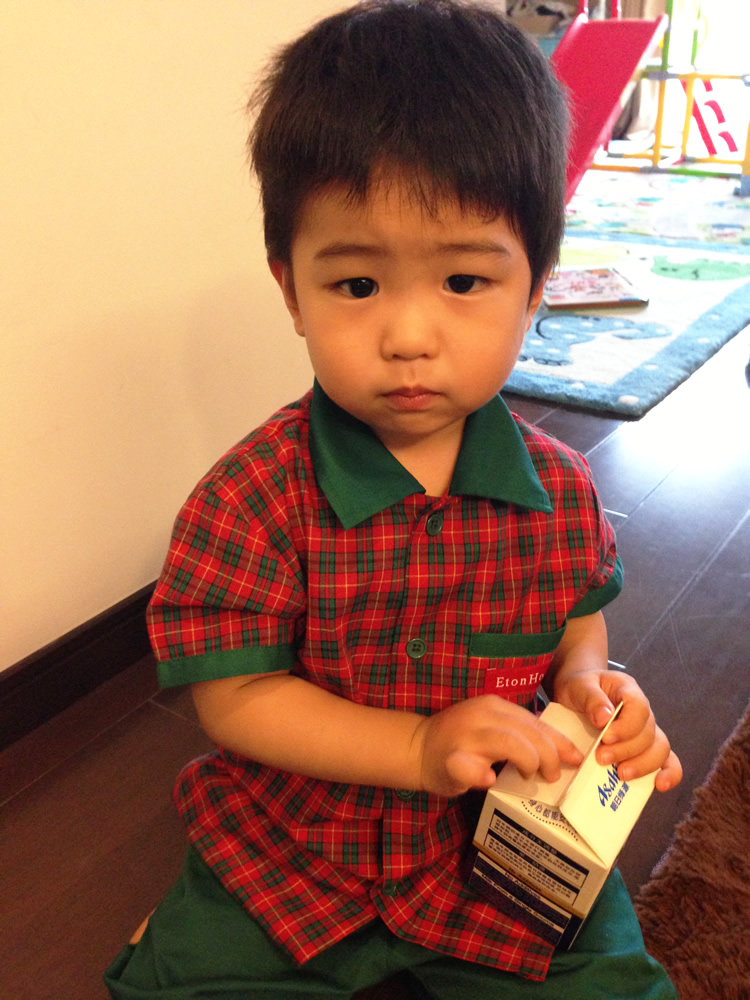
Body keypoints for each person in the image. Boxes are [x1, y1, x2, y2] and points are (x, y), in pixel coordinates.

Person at [104, 2, 682, 997]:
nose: (409, 336)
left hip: (496, 846)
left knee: (616, 981)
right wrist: (416, 745)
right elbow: (233, 696)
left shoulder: (559, 492)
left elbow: (575, 624)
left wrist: (593, 688)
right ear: (292, 290)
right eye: (359, 287)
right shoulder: (250, 498)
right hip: (293, 844)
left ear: (535, 288)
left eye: (463, 280)